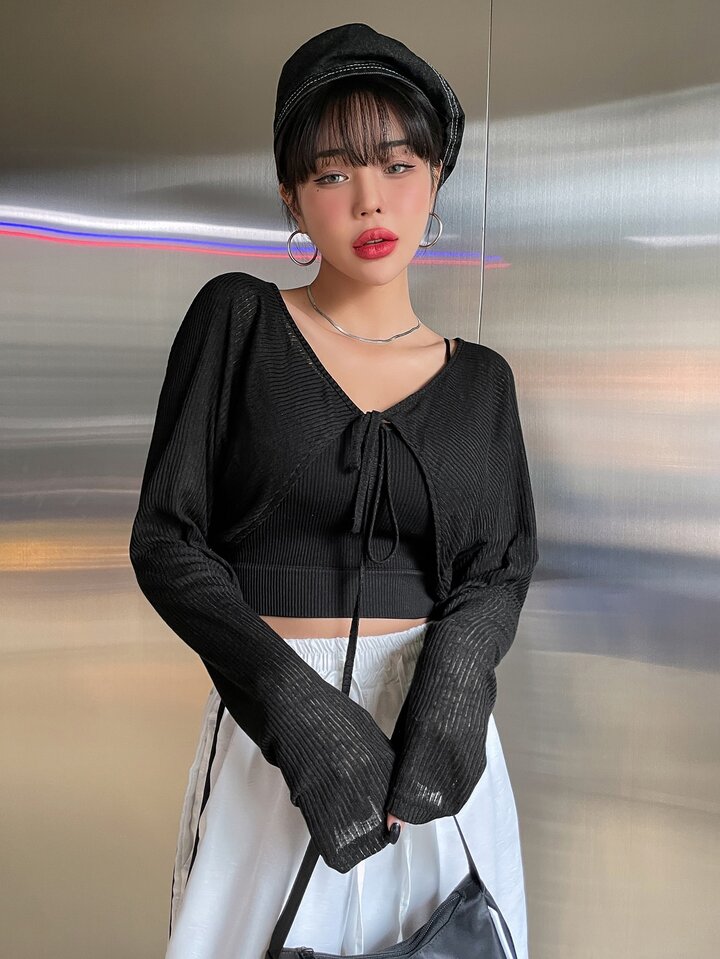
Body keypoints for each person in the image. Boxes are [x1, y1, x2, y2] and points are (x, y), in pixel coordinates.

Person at [129, 21, 539, 959]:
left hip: (436, 758)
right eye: (331, 173)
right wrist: (296, 710)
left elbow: (498, 569)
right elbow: (168, 540)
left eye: (397, 164)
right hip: (275, 740)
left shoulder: (482, 381)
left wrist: (450, 705)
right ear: (291, 194)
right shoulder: (238, 323)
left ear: (435, 176)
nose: (369, 199)